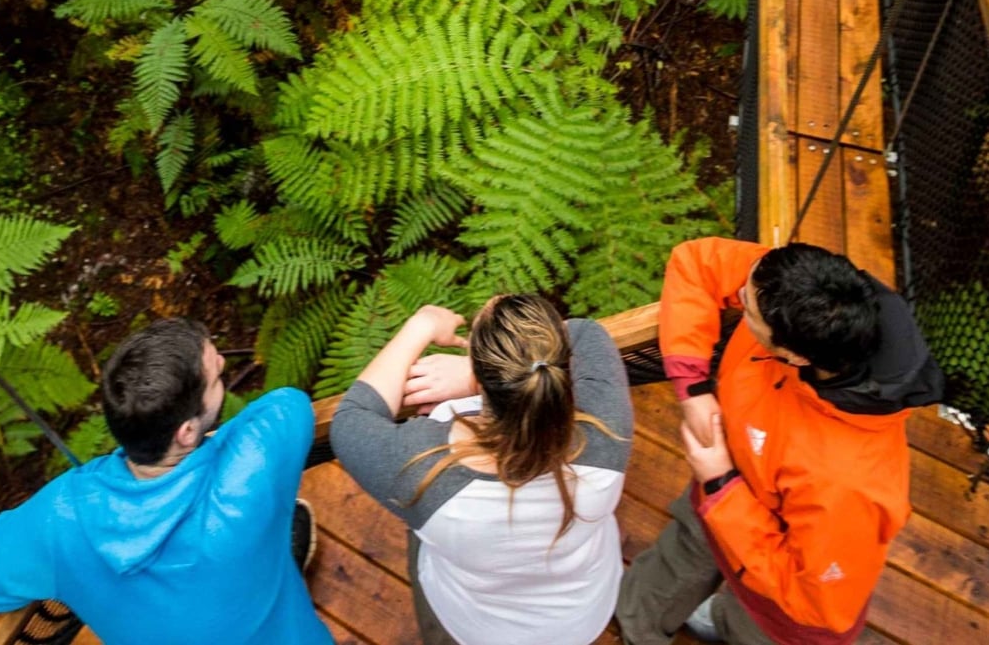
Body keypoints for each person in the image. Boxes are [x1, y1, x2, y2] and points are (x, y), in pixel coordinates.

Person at [617, 239, 945, 645]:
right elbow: (698, 262)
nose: (738, 294)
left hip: (776, 601)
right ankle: (645, 624)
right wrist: (692, 385)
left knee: (750, 625)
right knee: (678, 561)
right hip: (723, 492)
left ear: (795, 356)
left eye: (748, 309)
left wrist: (721, 484)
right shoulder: (797, 291)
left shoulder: (849, 485)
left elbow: (815, 603)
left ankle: (721, 620)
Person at [0, 318, 332, 645]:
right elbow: (289, 405)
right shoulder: (248, 476)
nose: (222, 362)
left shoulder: (61, 516)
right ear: (186, 432)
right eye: (216, 377)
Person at [331, 295, 633, 645]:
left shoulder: (423, 474)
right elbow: (583, 332)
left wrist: (423, 325)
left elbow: (351, 420)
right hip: (578, 615)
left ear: (481, 373)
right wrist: (483, 373)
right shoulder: (607, 436)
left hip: (477, 626)